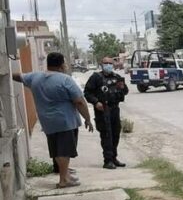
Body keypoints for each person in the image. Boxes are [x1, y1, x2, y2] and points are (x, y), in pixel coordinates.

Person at [12, 52, 94, 188]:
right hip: (65, 122)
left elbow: (18, 76)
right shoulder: (65, 80)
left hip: (47, 122)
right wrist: (88, 119)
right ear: (62, 64)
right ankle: (63, 180)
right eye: (65, 63)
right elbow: (79, 101)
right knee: (64, 151)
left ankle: (65, 175)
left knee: (56, 150)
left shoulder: (35, 77)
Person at [84, 57, 129, 170]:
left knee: (116, 133)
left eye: (110, 63)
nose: (108, 65)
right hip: (103, 110)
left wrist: (122, 87)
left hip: (114, 109)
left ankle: (114, 158)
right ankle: (107, 160)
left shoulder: (116, 77)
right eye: (106, 63)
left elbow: (125, 91)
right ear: (101, 64)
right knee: (106, 134)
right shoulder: (96, 77)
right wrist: (96, 102)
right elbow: (87, 93)